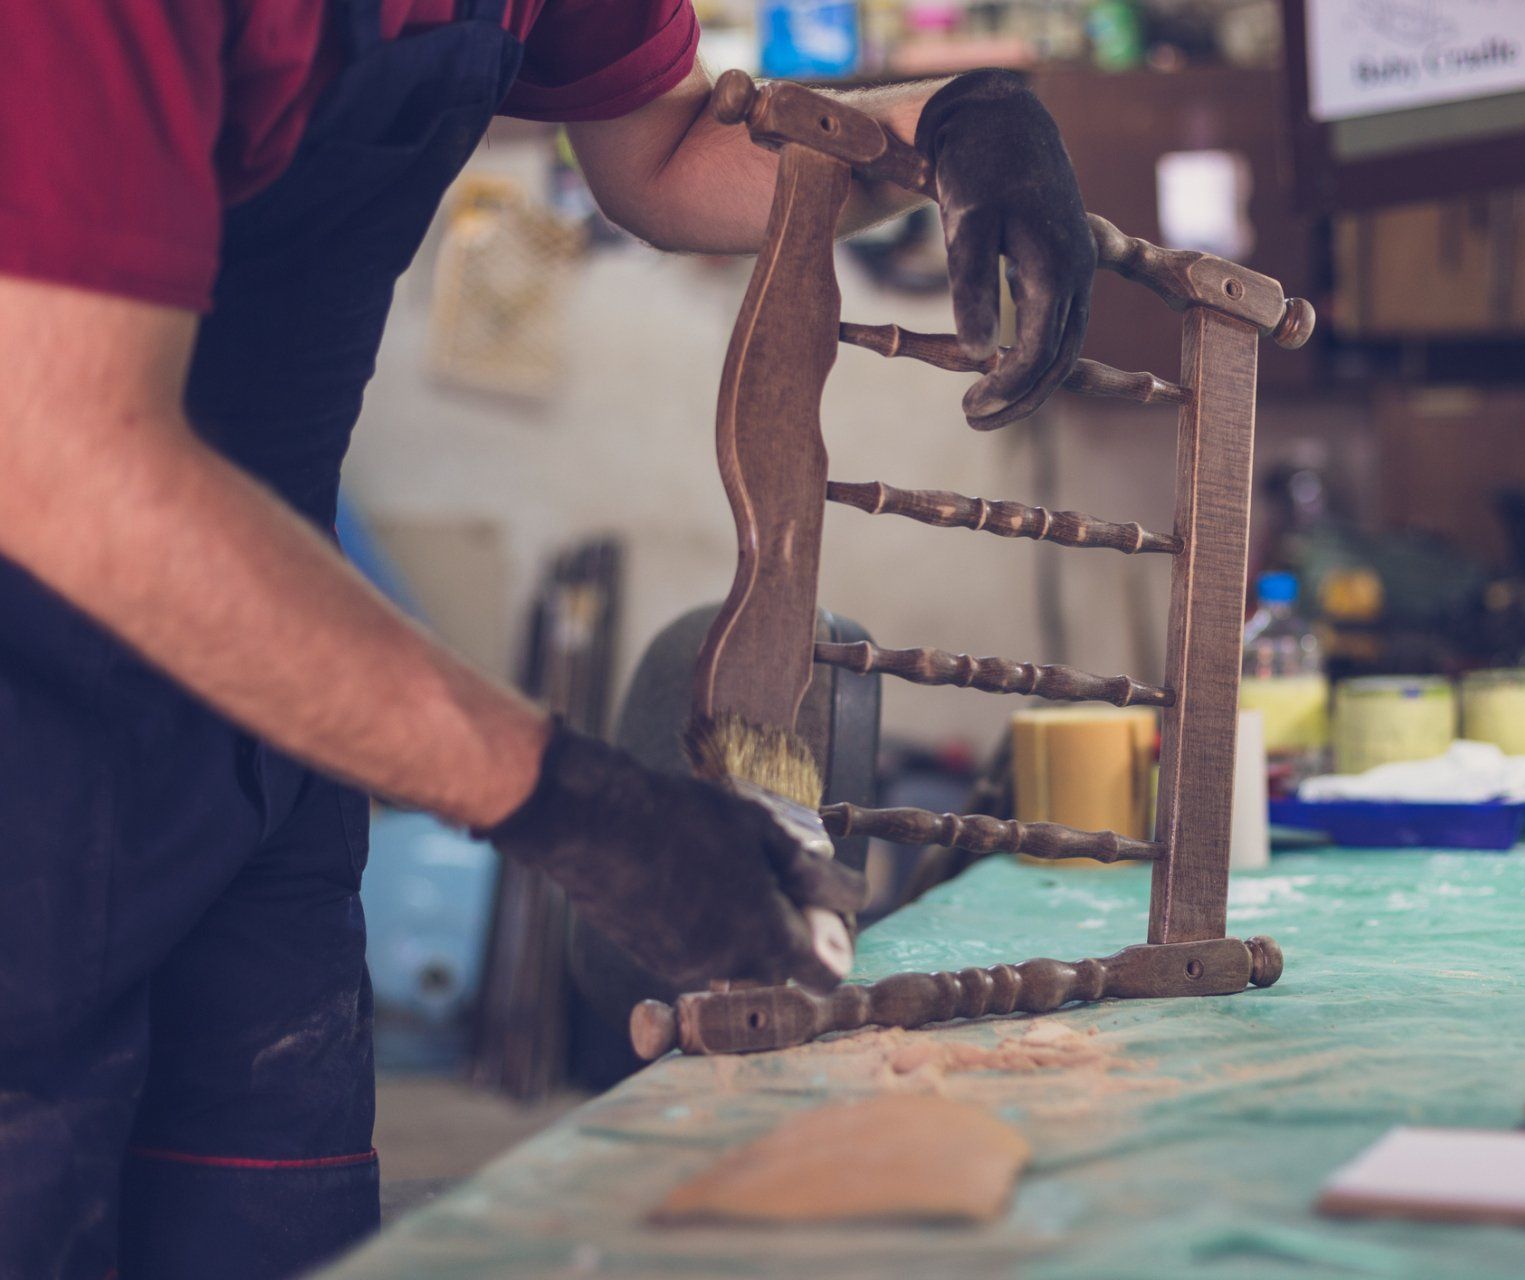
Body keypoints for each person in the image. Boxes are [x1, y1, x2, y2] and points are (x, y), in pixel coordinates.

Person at [0, 3, 1095, 1276]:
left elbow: (668, 151)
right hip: (32, 702)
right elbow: (68, 464)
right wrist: (575, 803)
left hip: (267, 709)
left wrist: (941, 124)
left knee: (273, 1222)